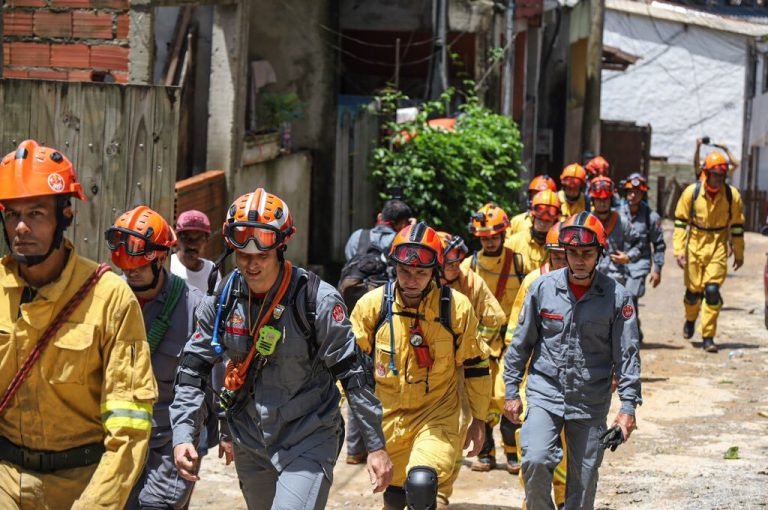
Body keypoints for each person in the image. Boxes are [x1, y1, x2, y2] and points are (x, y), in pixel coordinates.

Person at [170, 188, 393, 509]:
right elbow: (192, 371)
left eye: (262, 256)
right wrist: (182, 437)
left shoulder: (317, 300)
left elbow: (354, 376)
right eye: (243, 256)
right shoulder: (222, 299)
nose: (252, 265)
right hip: (250, 441)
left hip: (308, 437)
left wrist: (375, 445)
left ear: (280, 249)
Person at [0, 140, 157, 509]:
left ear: (66, 215)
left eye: (36, 213)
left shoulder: (110, 298)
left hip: (81, 485)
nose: (21, 227)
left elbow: (130, 424)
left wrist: (96, 505)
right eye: (12, 214)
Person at [503, 212, 642, 510]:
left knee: (584, 479)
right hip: (545, 393)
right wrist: (512, 391)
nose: (579, 260)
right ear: (563, 253)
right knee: (535, 459)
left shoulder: (617, 298)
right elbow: (520, 344)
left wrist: (628, 407)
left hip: (590, 400)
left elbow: (627, 356)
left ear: (599, 254)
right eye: (573, 253)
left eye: (587, 253)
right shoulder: (541, 289)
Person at [350, 222, 491, 510]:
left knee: (422, 484)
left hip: (437, 414)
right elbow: (349, 370)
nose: (412, 280)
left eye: (421, 273)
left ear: (435, 273)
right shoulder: (371, 307)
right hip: (388, 419)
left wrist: (479, 419)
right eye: (405, 271)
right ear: (394, 268)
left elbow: (477, 365)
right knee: (395, 495)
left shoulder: (457, 309)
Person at [105, 206, 204, 510]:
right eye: (126, 268)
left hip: (170, 438)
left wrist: (224, 431)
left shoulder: (194, 307)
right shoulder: (108, 300)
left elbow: (207, 376)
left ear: (161, 259)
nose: (131, 274)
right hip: (118, 439)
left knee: (157, 506)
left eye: (138, 268)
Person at [435, 231, 506, 507]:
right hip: (422, 371)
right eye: (449, 262)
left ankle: (440, 491)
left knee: (456, 429)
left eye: (457, 261)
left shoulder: (471, 282)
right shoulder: (417, 283)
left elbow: (494, 318)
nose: (456, 267)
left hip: (460, 370)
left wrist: (473, 347)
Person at [339, 198, 412, 465]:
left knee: (355, 379)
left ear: (380, 216)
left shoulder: (358, 236)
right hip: (385, 317)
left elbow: (349, 262)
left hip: (354, 316)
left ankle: (354, 449)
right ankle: (380, 446)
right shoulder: (402, 238)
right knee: (380, 382)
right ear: (403, 222)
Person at [504, 222, 569, 510]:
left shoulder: (591, 285)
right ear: (548, 254)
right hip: (537, 380)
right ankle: (534, 497)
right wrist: (513, 385)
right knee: (532, 444)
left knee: (569, 447)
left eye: (571, 255)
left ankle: (566, 496)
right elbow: (517, 335)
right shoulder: (534, 282)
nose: (564, 263)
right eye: (558, 256)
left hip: (574, 383)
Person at [461, 203, 525, 474]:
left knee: (507, 396)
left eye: (494, 237)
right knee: (481, 398)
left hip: (510, 343)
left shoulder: (518, 262)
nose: (489, 242)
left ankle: (513, 453)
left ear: (503, 234)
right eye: (484, 238)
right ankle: (486, 453)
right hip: (479, 344)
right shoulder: (469, 265)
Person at [674, 152, 745, 353]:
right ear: (706, 173)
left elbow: (738, 226)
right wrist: (679, 250)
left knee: (712, 291)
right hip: (695, 244)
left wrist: (739, 252)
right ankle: (690, 320)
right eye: (715, 174)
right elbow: (680, 222)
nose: (719, 179)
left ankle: (708, 336)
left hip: (718, 246)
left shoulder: (732, 196)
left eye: (722, 176)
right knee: (693, 293)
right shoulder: (691, 193)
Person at [619, 174, 666, 342]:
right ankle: (630, 327)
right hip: (618, 262)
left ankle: (631, 335)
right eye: (630, 191)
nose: (633, 195)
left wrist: (657, 270)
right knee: (617, 298)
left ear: (643, 194)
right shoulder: (617, 212)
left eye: (638, 192)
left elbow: (659, 245)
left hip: (639, 262)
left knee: (631, 295)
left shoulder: (651, 217)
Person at [589, 176, 640, 286]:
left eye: (606, 199)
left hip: (615, 280)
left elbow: (638, 243)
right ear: (592, 200)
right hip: (589, 279)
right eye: (598, 199)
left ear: (611, 199)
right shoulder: (586, 222)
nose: (602, 203)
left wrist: (628, 257)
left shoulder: (622, 221)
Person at [506, 190, 562, 274]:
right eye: (539, 219)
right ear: (532, 218)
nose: (542, 224)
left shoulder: (560, 247)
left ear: (555, 222)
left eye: (547, 221)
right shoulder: (513, 243)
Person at [171, 209, 221, 294]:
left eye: (199, 239)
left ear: (207, 241)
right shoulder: (170, 266)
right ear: (177, 238)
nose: (192, 245)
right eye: (186, 238)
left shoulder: (211, 270)